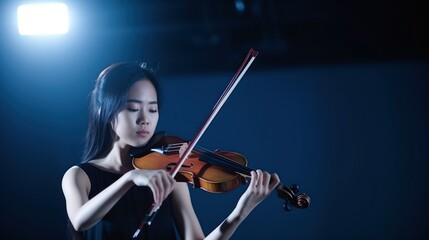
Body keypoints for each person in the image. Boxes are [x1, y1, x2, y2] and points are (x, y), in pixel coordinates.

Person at [61, 62, 281, 240]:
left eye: (153, 109)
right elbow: (80, 220)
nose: (145, 119)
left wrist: (239, 213)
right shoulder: (79, 176)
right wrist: (130, 178)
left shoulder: (171, 174)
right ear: (105, 112)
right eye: (134, 108)